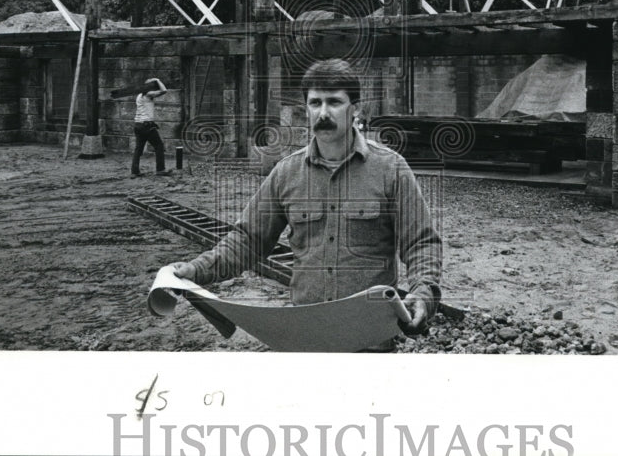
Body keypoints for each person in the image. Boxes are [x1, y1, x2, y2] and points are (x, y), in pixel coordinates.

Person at [169, 59, 442, 339]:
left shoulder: (390, 169)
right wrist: (197, 269)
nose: (323, 113)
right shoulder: (286, 173)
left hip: (371, 335)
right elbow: (248, 239)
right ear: (306, 108)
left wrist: (423, 293)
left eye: (334, 102)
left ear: (356, 108)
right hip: (306, 333)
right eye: (315, 103)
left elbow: (421, 242)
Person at [132, 77, 169, 177]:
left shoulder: (139, 95)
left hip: (138, 124)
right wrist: (158, 80)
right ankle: (160, 169)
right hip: (146, 125)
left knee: (138, 149)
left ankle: (134, 172)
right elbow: (164, 90)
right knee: (159, 145)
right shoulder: (148, 94)